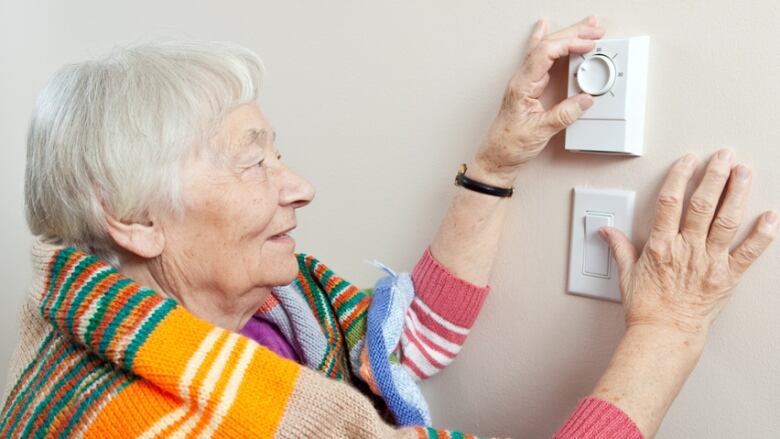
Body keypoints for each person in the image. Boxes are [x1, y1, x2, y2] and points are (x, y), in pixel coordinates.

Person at [1, 15, 775, 438]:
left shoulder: (264, 311)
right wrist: (669, 331)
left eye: (282, 154)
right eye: (252, 164)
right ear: (132, 219)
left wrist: (496, 165)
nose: (299, 187)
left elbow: (403, 347)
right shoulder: (130, 421)